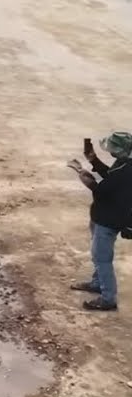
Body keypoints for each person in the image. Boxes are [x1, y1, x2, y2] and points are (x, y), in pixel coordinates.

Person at [69, 132, 132, 311]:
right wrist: (94, 160)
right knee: (98, 254)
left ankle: (108, 298)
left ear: (117, 150)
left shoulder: (123, 171)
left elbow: (102, 191)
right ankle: (98, 283)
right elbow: (110, 176)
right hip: (103, 217)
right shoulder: (125, 165)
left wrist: (85, 178)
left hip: (108, 221)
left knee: (102, 258)